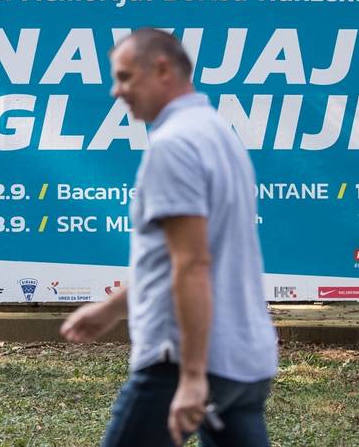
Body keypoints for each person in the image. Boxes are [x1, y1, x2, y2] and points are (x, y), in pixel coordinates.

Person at [60, 29, 277, 446]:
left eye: (125, 77)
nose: (116, 91)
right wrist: (110, 310)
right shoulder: (218, 134)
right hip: (244, 361)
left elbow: (192, 262)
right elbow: (178, 257)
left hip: (180, 361)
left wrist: (192, 376)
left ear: (162, 69)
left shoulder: (173, 145)